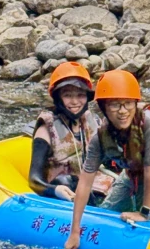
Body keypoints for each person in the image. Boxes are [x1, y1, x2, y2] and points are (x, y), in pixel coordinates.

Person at [64, 69, 150, 249]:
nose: (122, 111)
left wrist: (144, 213)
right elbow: (85, 182)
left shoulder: (148, 122)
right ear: (103, 107)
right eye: (115, 105)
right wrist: (74, 231)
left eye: (128, 103)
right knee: (108, 211)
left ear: (135, 103)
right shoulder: (100, 137)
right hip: (137, 171)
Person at [29, 62, 110, 202]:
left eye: (80, 95)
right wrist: (54, 190)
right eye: (67, 95)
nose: (75, 102)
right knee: (65, 180)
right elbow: (33, 180)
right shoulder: (46, 129)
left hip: (93, 186)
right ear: (57, 97)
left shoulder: (91, 121)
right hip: (64, 193)